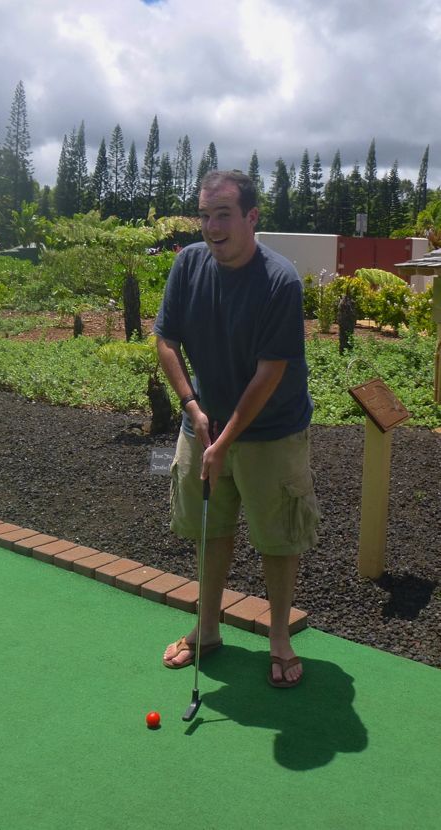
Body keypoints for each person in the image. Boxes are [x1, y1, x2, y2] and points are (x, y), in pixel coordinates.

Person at [154, 169, 320, 688]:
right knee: (211, 528)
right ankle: (207, 630)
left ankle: (279, 638)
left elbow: (272, 371)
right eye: (204, 215)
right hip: (204, 420)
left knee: (276, 537)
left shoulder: (280, 281)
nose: (211, 226)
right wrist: (192, 406)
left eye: (222, 215)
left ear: (251, 217)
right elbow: (165, 340)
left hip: (271, 430)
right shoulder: (188, 266)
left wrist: (225, 441)